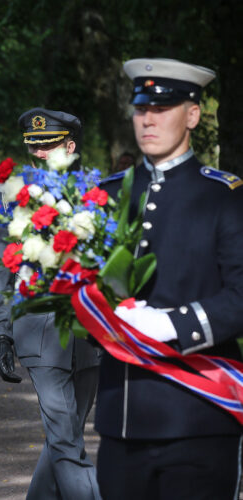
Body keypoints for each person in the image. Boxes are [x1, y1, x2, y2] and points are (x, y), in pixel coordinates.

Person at [96, 58, 243, 499]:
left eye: (162, 108)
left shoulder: (225, 196)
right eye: (141, 108)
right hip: (122, 418)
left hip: (200, 417)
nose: (148, 119)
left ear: (193, 115)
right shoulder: (103, 196)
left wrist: (173, 326)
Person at [0, 108, 102, 499]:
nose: (41, 155)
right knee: (66, 440)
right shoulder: (10, 195)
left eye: (49, 146)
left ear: (70, 145)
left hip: (90, 334)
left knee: (65, 437)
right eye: (35, 148)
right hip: (40, 331)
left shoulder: (95, 194)